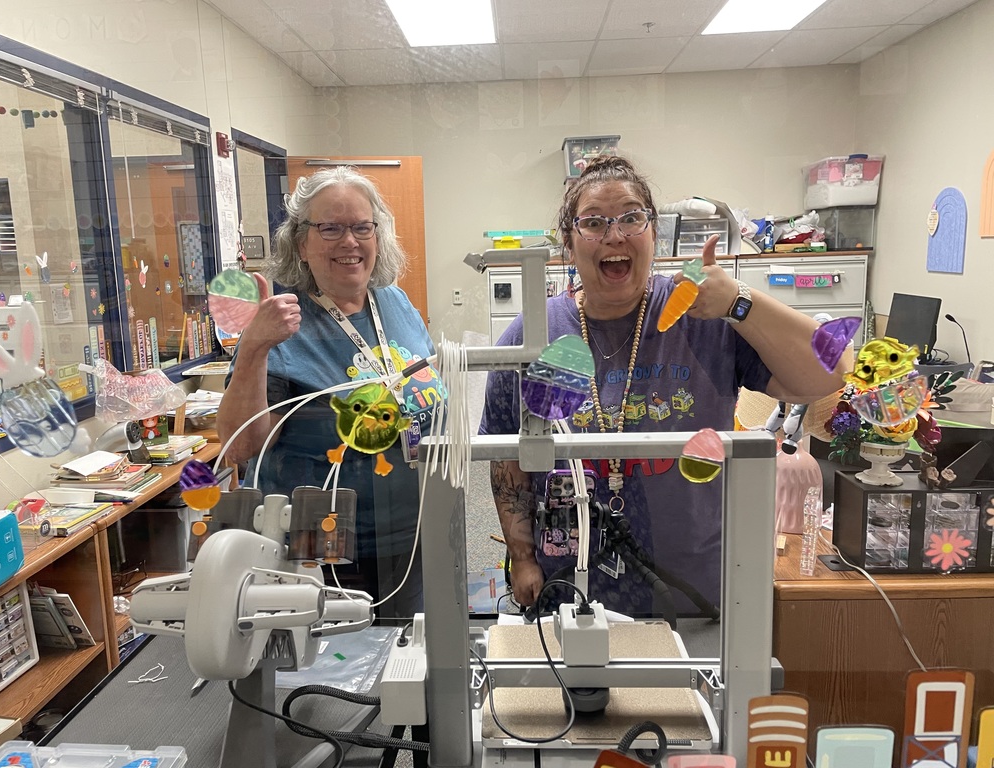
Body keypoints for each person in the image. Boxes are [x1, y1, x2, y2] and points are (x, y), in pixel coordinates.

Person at [479, 155, 850, 617]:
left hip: (690, 586)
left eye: (632, 218)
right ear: (569, 247)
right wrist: (523, 558)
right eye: (593, 222)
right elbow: (505, 457)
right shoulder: (534, 333)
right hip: (568, 586)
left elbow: (826, 375)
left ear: (654, 233)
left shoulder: (700, 316)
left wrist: (739, 302)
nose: (615, 235)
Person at [217, 166, 444, 618]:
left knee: (404, 667)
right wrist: (255, 347)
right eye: (331, 228)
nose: (349, 242)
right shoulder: (282, 324)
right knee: (330, 679)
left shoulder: (396, 303)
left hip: (413, 534)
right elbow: (240, 445)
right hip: (319, 548)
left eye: (362, 227)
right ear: (301, 243)